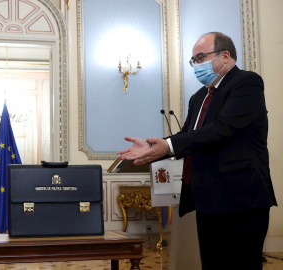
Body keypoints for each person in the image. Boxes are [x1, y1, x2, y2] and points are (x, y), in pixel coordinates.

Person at [117, 32, 277, 270]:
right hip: (207, 199)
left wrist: (169, 146)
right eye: (194, 60)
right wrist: (155, 147)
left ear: (225, 56)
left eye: (201, 57)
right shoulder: (199, 96)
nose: (196, 65)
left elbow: (223, 128)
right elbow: (186, 136)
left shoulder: (247, 82)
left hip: (240, 199)